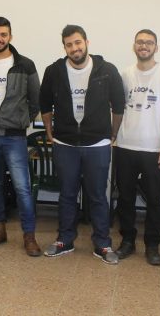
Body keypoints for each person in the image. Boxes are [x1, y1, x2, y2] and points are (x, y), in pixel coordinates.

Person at [39, 24, 125, 263]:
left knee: (97, 195)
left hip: (97, 144)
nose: (74, 48)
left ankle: (103, 244)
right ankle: (64, 240)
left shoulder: (107, 70)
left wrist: (112, 134)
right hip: (65, 143)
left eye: (78, 42)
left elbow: (119, 105)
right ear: (64, 47)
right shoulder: (54, 71)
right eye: (69, 45)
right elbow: (45, 104)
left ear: (87, 42)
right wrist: (50, 133)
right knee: (67, 194)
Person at [0, 16, 42, 257]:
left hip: (15, 138)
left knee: (22, 187)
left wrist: (21, 120)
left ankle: (29, 236)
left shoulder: (25, 65)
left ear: (10, 37)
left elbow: (36, 100)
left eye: (3, 34)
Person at [113, 29, 160, 265]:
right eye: (140, 42)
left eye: (149, 42)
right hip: (125, 146)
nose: (144, 46)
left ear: (156, 47)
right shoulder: (124, 75)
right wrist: (113, 137)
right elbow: (117, 110)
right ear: (134, 46)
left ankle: (152, 245)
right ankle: (127, 241)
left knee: (154, 200)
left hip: (154, 148)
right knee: (125, 199)